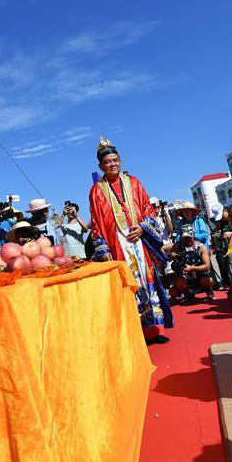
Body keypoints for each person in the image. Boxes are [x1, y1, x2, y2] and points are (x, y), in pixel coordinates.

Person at [88, 137, 173, 344]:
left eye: (115, 160)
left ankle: (154, 329)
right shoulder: (96, 190)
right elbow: (96, 222)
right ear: (100, 166)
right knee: (128, 283)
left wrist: (142, 228)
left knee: (146, 278)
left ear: (120, 161)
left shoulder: (134, 183)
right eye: (107, 162)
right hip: (117, 241)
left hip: (138, 239)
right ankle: (135, 333)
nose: (112, 164)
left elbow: (148, 210)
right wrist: (103, 248)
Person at [168, 224, 213, 305]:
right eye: (185, 238)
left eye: (189, 237)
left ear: (193, 236)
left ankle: (208, 290)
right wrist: (171, 255)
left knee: (207, 280)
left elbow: (207, 266)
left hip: (199, 273)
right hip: (185, 274)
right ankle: (189, 295)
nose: (187, 240)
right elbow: (168, 258)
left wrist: (192, 268)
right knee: (172, 291)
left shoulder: (201, 247)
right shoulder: (177, 245)